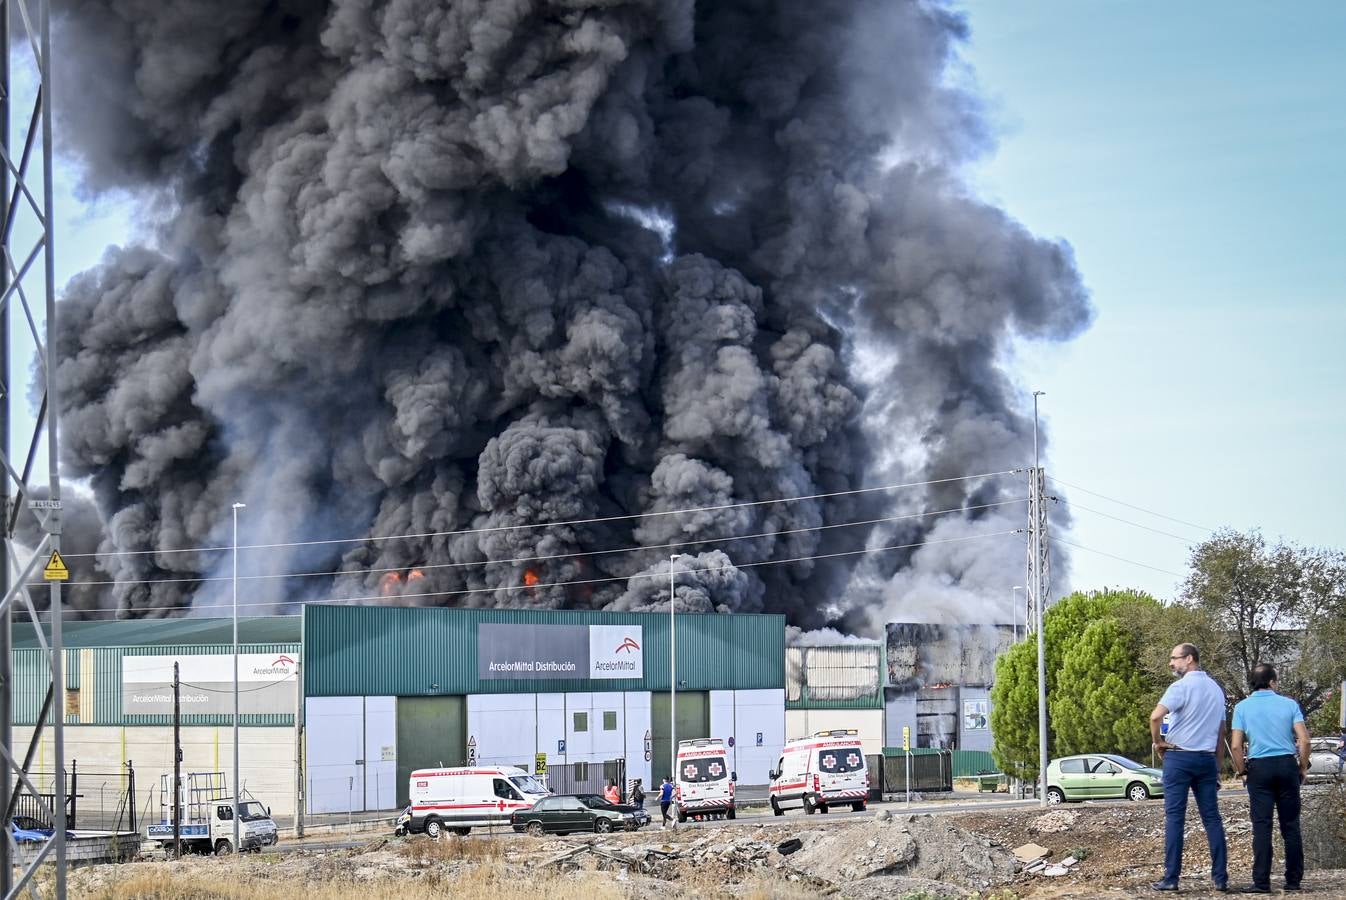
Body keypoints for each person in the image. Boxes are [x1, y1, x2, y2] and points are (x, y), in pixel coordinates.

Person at [1149, 643, 1230, 893]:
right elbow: (1221, 732)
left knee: (1175, 818)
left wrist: (1159, 742)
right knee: (1212, 818)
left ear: (1190, 659)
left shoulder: (1181, 687)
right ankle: (1220, 878)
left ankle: (1171, 878)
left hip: (1179, 758)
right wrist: (1217, 766)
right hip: (1206, 759)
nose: (1171, 663)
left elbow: (1155, 716)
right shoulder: (1217, 689)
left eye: (1175, 658)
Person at [1230, 663, 1309, 893]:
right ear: (1273, 682)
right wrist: (1302, 767)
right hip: (1286, 765)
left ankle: (1261, 882)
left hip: (1259, 769)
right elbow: (1304, 740)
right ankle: (1293, 881)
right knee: (1291, 826)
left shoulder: (1242, 707)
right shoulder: (1289, 704)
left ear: (1252, 684)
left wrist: (1242, 770)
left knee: (1262, 826)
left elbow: (1235, 745)